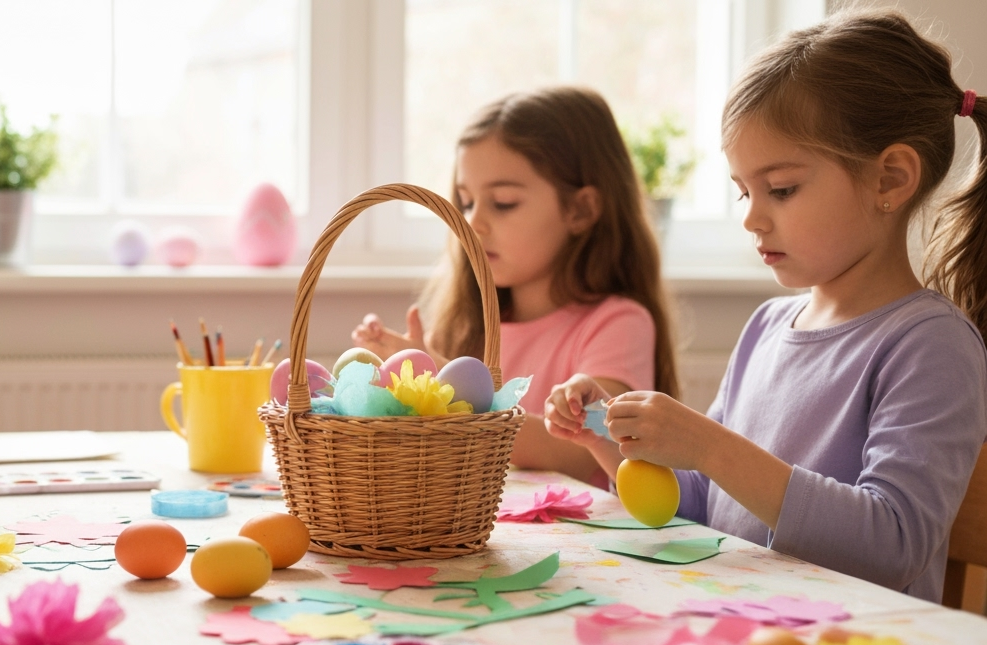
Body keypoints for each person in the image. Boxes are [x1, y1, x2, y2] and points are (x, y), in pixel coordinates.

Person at [545, 9, 987, 603]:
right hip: (746, 629)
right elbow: (703, 506)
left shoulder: (930, 344)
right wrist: (607, 433)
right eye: (743, 191)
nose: (751, 216)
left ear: (890, 179)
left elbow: (894, 547)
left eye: (781, 189)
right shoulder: (768, 326)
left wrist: (709, 446)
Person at [353, 87, 679, 484]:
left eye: (503, 202)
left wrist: (444, 385)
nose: (472, 223)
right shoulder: (467, 328)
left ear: (580, 209)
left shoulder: (619, 324)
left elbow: (581, 450)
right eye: (466, 201)